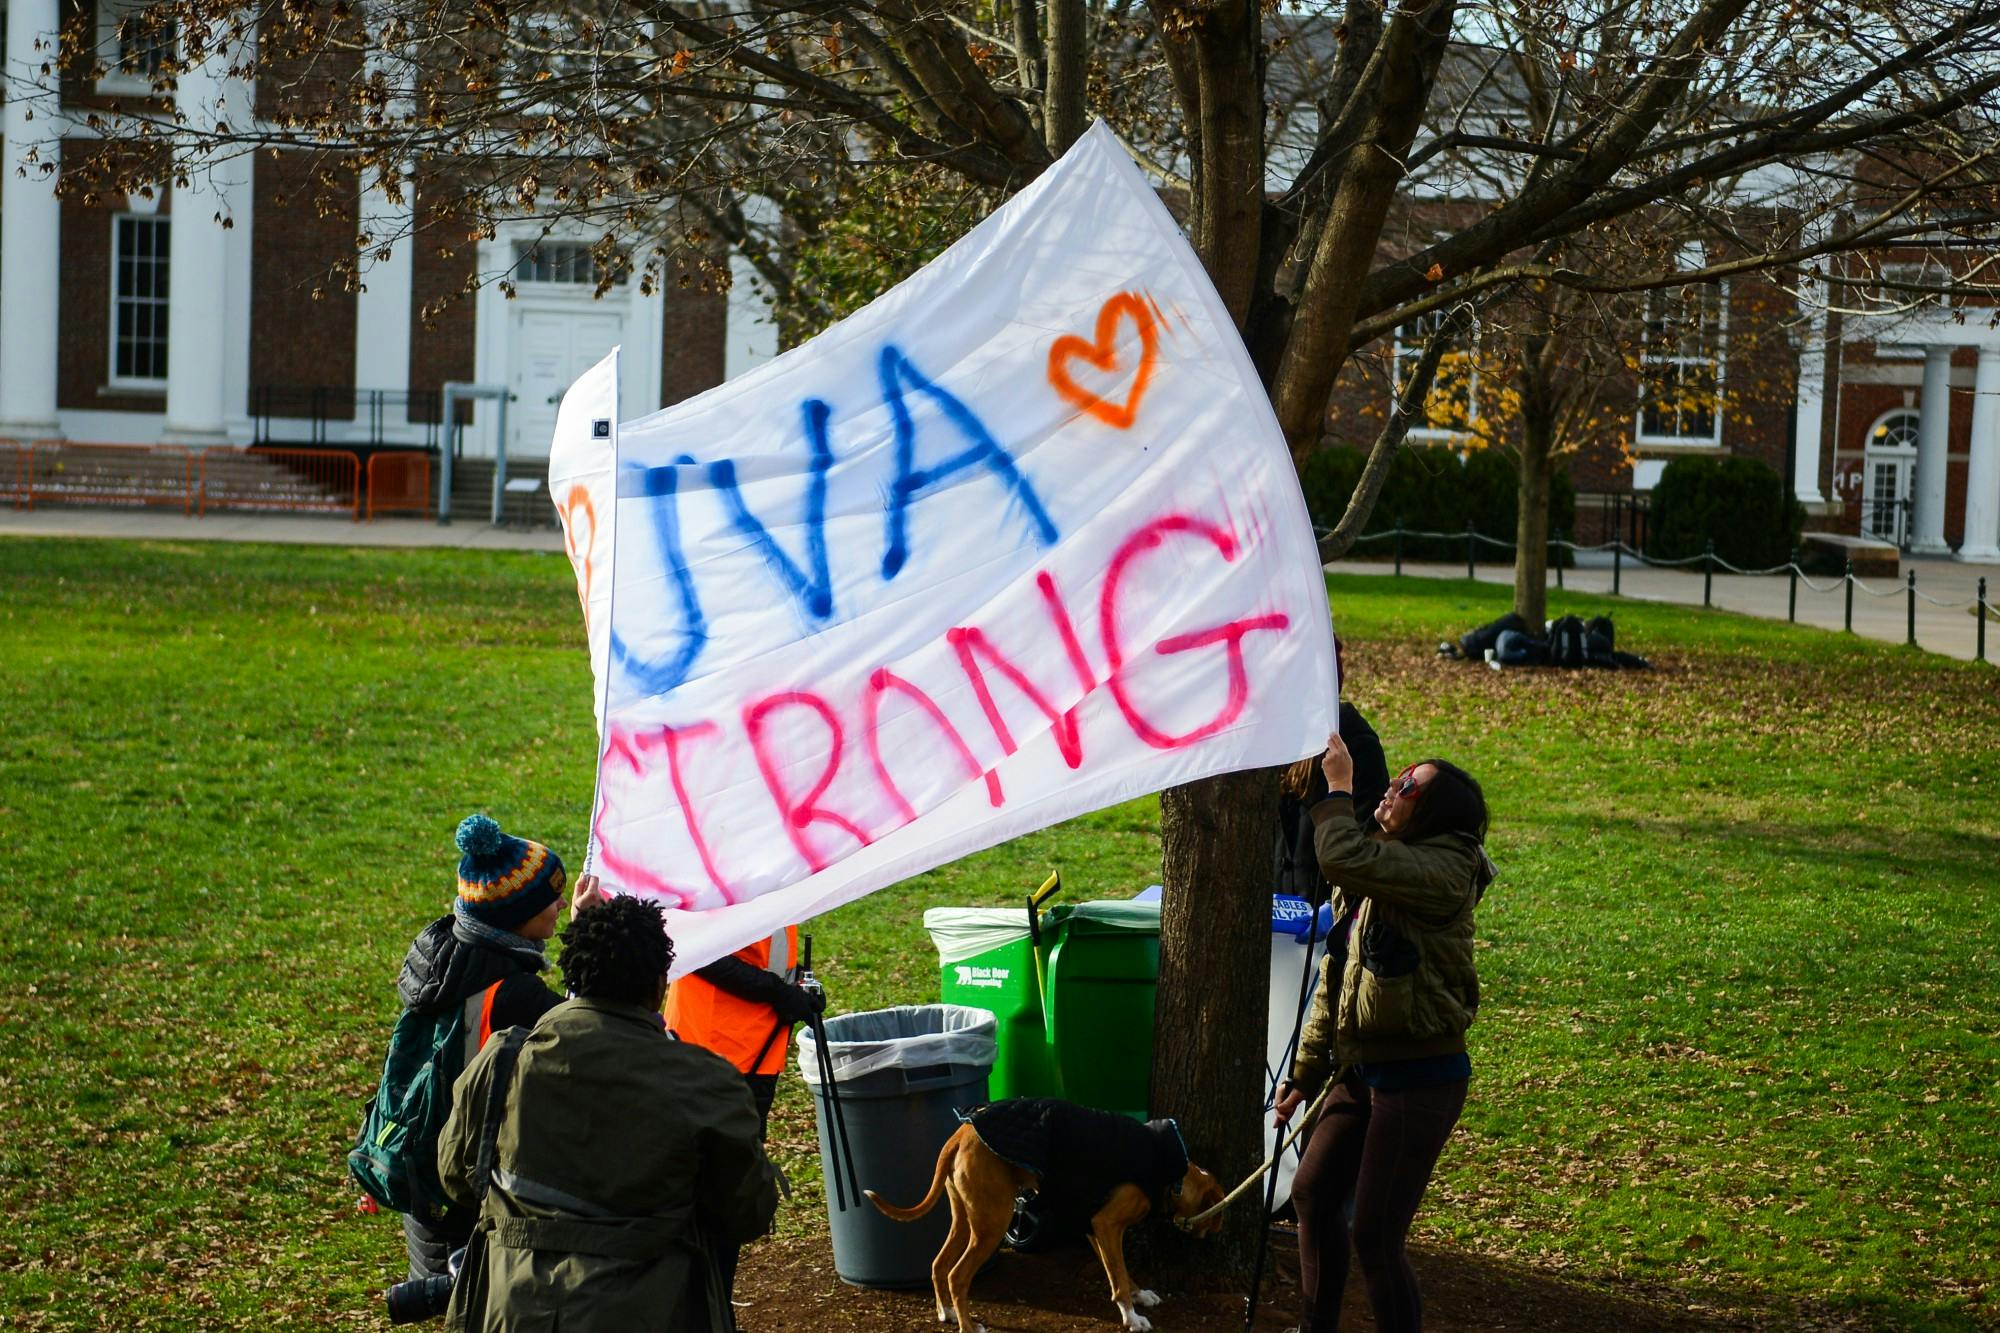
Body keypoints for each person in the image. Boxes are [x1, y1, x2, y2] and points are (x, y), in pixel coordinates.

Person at [439, 893, 782, 1333]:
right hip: (652, 1310)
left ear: (573, 973)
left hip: (513, 1309)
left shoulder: (503, 1060)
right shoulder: (706, 1082)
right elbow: (746, 1213)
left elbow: (456, 1177)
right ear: (660, 984)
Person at [1272, 735, 1495, 1333]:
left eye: (1409, 787)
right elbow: (1337, 974)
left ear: (1437, 812)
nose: (1393, 790)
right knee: (1314, 1194)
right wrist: (1306, 1072)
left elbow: (1339, 855)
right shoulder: (1387, 860)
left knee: (1375, 1236)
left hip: (1419, 1078)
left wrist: (1340, 790)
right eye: (1397, 779)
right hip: (1360, 1069)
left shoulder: (1445, 867)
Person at [394, 814, 573, 1289]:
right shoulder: (514, 992)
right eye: (550, 898)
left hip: (424, 1169)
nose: (560, 904)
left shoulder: (442, 955)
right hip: (472, 1186)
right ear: (517, 915)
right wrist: (589, 940)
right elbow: (585, 1035)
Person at [664, 926, 822, 1314]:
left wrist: (798, 981)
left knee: (729, 1195)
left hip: (752, 1051)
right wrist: (776, 991)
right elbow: (701, 949)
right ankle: (701, 1309)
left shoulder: (771, 872)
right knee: (710, 1197)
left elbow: (763, 951)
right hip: (712, 1051)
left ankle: (714, 1307)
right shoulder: (723, 872)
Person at [1276, 639, 1390, 905]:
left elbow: (1366, 838)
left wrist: (1334, 910)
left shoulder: (1353, 743)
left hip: (1328, 914)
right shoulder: (1274, 737)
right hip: (1276, 909)